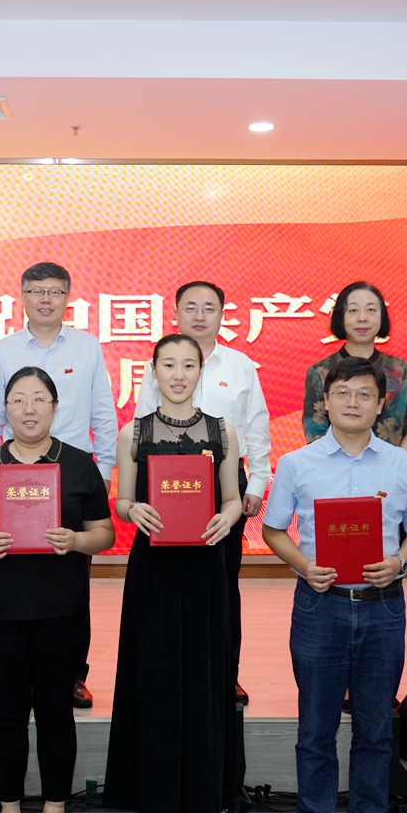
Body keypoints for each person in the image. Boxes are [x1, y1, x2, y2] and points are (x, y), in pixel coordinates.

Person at [263, 356, 407, 813]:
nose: (353, 402)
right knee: (315, 726)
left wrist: (399, 563)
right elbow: (273, 530)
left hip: (383, 608)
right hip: (321, 606)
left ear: (381, 404)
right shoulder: (297, 463)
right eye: (343, 393)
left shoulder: (401, 465)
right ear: (325, 402)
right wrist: (305, 566)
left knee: (375, 726)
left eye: (365, 394)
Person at [0, 366, 114, 813]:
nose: (28, 408)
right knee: (6, 716)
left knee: (56, 714)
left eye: (39, 399)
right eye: (18, 399)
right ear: (5, 409)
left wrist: (76, 540)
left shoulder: (79, 464)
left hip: (61, 610)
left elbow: (104, 534)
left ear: (55, 407)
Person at [102, 334, 245, 813]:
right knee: (158, 687)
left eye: (189, 365)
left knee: (203, 687)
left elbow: (232, 499)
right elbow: (122, 500)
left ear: (200, 371)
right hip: (155, 574)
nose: (179, 374)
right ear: (154, 371)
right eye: (169, 365)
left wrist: (227, 516)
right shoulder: (133, 432)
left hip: (206, 568)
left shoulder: (221, 431)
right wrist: (131, 510)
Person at [0, 261, 117, 708]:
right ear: (22, 296)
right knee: (15, 569)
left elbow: (103, 412)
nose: (45, 300)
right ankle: (19, 669)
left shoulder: (86, 346)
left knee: (73, 574)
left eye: (54, 292)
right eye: (36, 291)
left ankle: (72, 674)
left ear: (67, 298)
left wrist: (104, 472)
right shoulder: (3, 350)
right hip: (14, 475)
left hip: (72, 476)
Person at [136, 280, 272, 703]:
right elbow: (143, 424)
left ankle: (225, 673)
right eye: (190, 307)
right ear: (176, 312)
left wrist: (258, 482)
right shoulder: (158, 364)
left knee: (222, 584)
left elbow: (257, 425)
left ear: (221, 315)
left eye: (208, 307)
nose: (199, 315)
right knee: (169, 583)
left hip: (225, 486)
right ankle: (171, 670)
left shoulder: (240, 365)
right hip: (168, 481)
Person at [302, 281, 407, 452]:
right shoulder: (320, 371)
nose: (362, 318)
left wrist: (397, 464)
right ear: (340, 317)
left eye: (371, 310)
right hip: (336, 466)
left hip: (390, 466)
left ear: (382, 317)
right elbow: (315, 433)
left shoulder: (399, 369)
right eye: (353, 310)